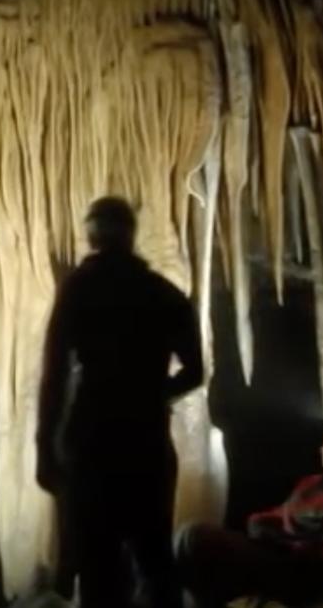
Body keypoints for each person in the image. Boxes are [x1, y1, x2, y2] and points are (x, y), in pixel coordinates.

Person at [37, 196, 204, 608]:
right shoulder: (163, 293)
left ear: (91, 237)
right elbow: (196, 371)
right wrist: (155, 394)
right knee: (156, 563)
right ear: (131, 237)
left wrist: (45, 447)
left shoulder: (79, 289)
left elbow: (54, 374)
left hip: (92, 445)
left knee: (98, 572)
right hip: (146, 444)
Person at [174, 412, 323, 607]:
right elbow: (280, 514)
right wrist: (261, 521)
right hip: (271, 552)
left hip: (292, 573)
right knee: (193, 556)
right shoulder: (313, 483)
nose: (322, 447)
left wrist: (294, 547)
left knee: (192, 540)